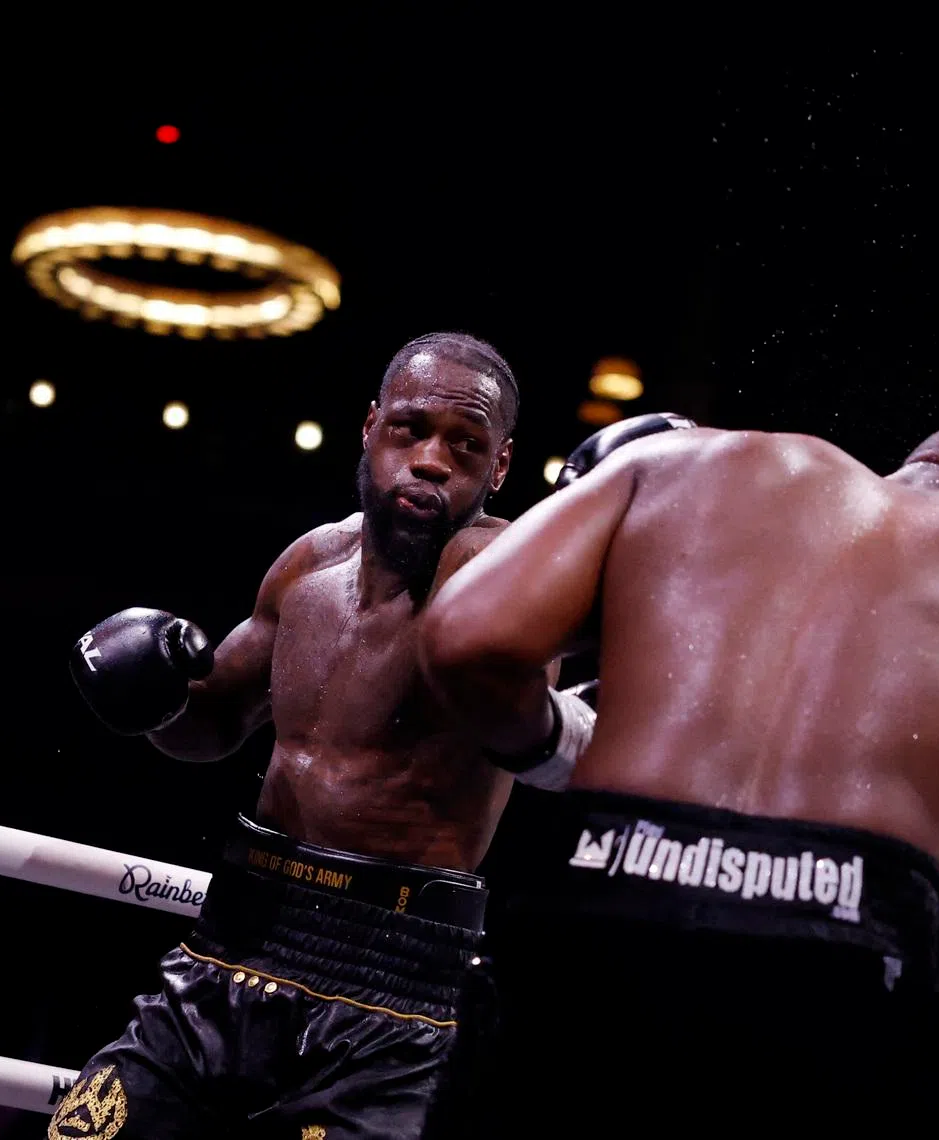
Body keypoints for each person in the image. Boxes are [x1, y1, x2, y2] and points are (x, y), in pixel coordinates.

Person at [47, 331, 596, 1140]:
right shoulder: (308, 566)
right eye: (411, 429)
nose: (431, 461)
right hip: (234, 938)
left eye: (465, 445)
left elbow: (592, 598)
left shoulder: (501, 574)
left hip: (394, 980)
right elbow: (214, 724)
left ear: (500, 467)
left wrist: (649, 501)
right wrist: (153, 696)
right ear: (370, 427)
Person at [419, 417, 939, 1132]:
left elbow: (463, 639)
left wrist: (557, 746)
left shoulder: (686, 459)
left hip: (611, 883)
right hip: (848, 939)